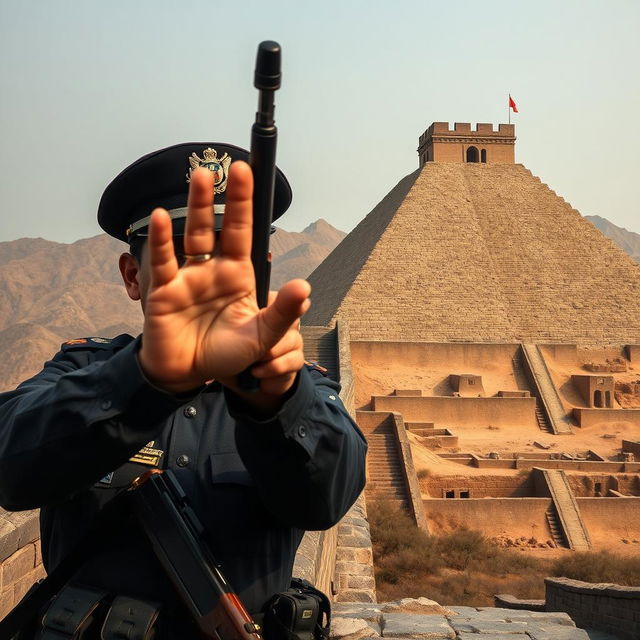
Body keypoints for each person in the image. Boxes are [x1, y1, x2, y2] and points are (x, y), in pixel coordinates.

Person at [0, 142, 367, 637]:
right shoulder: (81, 371)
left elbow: (327, 498)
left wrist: (276, 403)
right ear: (134, 276)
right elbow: (10, 465)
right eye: (181, 258)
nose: (209, 280)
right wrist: (143, 379)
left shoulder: (298, 389)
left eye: (230, 258)